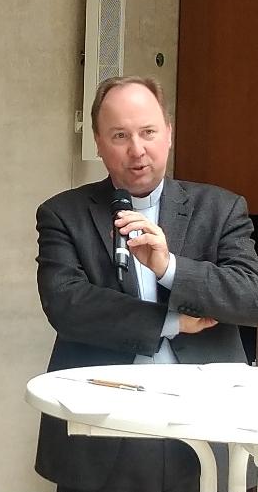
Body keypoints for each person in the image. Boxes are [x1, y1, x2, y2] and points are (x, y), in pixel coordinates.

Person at [34, 75, 258, 492]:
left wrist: (169, 266)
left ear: (169, 134)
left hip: (207, 420)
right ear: (98, 144)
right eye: (120, 135)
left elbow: (251, 296)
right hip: (105, 421)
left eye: (148, 132)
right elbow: (65, 304)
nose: (137, 150)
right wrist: (170, 322)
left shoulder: (222, 207)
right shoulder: (63, 213)